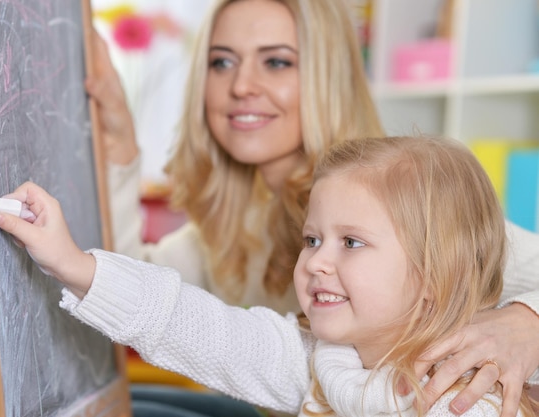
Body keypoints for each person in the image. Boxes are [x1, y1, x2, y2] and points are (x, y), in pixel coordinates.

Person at [86, 0, 539, 414]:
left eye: (276, 62)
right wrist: (122, 147)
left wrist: (527, 321)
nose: (241, 85)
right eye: (222, 62)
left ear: (327, 76)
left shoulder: (400, 203)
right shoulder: (238, 222)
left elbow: (491, 260)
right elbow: (131, 285)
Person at [0, 135, 537, 416]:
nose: (317, 261)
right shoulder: (317, 361)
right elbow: (194, 325)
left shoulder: (465, 399)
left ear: (434, 277)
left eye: (351, 243)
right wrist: (72, 264)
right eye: (311, 239)